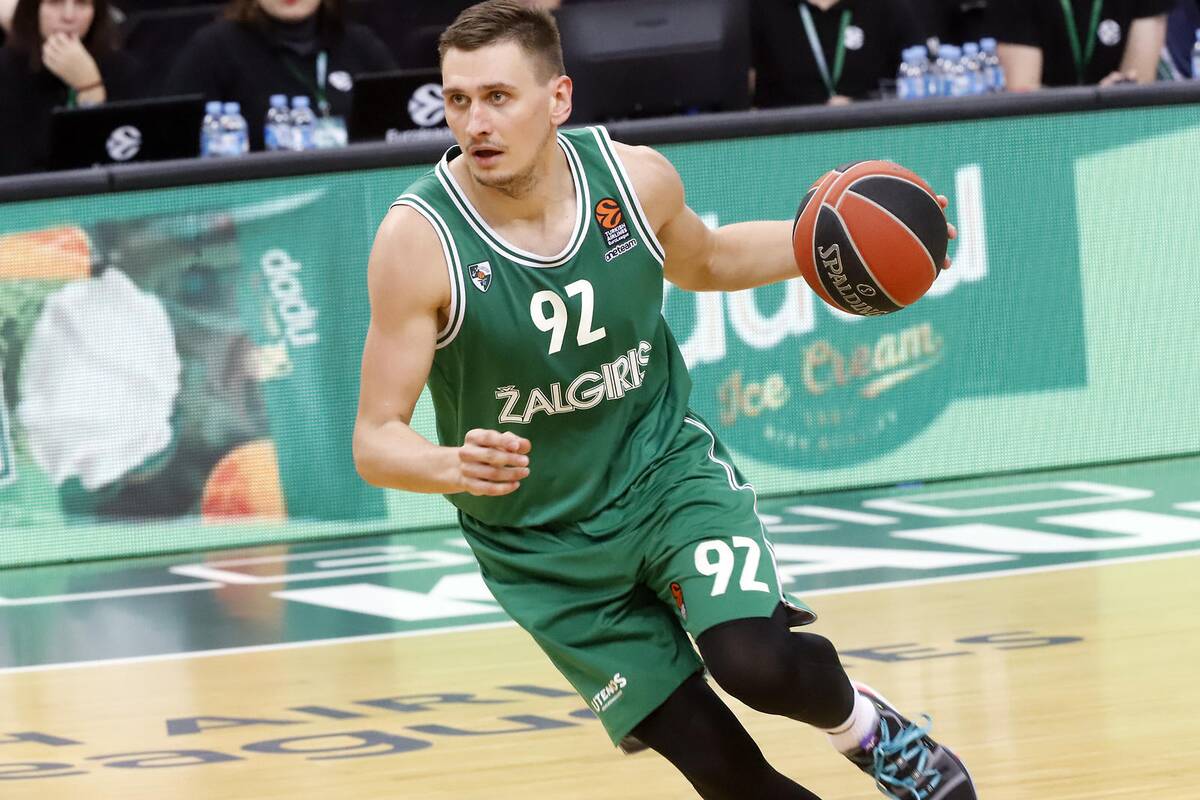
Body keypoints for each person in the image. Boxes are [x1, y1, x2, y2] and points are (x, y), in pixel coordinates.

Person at [353, 2, 975, 798]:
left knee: (755, 663)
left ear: (558, 98)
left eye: (498, 97)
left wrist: (830, 241)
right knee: (726, 774)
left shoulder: (635, 181)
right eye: (458, 100)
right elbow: (375, 437)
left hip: (661, 475)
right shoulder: (417, 242)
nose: (475, 123)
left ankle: (871, 732)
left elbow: (706, 261)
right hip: (541, 547)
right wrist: (449, 465)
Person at [164, 0, 396, 151]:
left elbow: (401, 125)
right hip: (255, 199)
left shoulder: (360, 43)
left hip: (354, 192)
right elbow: (173, 141)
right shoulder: (214, 48)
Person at [0, 0, 142, 176]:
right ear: (33, 9)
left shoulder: (121, 68)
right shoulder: (6, 70)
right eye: (55, 3)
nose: (68, 16)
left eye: (82, 4)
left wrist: (90, 88)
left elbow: (125, 155)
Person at [751, 0, 929, 107]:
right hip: (786, 139)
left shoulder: (886, 7)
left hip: (871, 135)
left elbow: (920, 81)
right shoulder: (761, 7)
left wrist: (861, 105)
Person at [987, 0, 1178, 90]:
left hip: (1118, 127)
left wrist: (1118, 92)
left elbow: (1139, 80)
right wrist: (1092, 102)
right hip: (1049, 131)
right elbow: (1024, 92)